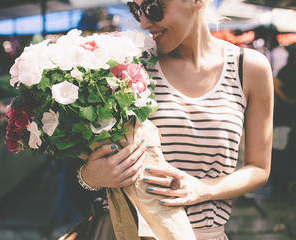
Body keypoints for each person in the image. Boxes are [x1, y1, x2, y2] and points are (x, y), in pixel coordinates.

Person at [78, 0, 274, 239]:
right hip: (125, 232)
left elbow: (259, 168)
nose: (143, 22)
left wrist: (204, 189)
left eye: (152, 7)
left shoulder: (248, 68)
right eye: (135, 9)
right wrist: (90, 176)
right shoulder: (131, 65)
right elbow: (91, 160)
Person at [271, 43, 296, 192]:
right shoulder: (288, 71)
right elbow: (274, 84)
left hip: (293, 117)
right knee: (281, 147)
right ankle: (280, 179)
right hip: (284, 117)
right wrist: (286, 99)